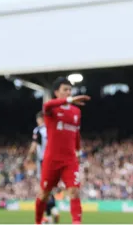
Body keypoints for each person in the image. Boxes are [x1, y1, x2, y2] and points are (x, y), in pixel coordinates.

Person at [34, 77, 90, 225]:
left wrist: (78, 151)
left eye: (70, 90)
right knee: (44, 194)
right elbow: (47, 105)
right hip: (52, 159)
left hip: (70, 159)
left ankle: (76, 222)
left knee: (74, 191)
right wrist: (69, 100)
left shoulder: (76, 112)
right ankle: (38, 221)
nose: (68, 92)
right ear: (56, 92)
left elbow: (76, 133)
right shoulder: (51, 109)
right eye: (65, 90)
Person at [26, 111, 59, 224]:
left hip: (43, 161)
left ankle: (48, 213)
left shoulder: (38, 130)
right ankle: (51, 213)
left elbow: (34, 145)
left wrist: (29, 156)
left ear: (40, 119)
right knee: (48, 187)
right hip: (54, 161)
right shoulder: (53, 128)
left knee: (43, 188)